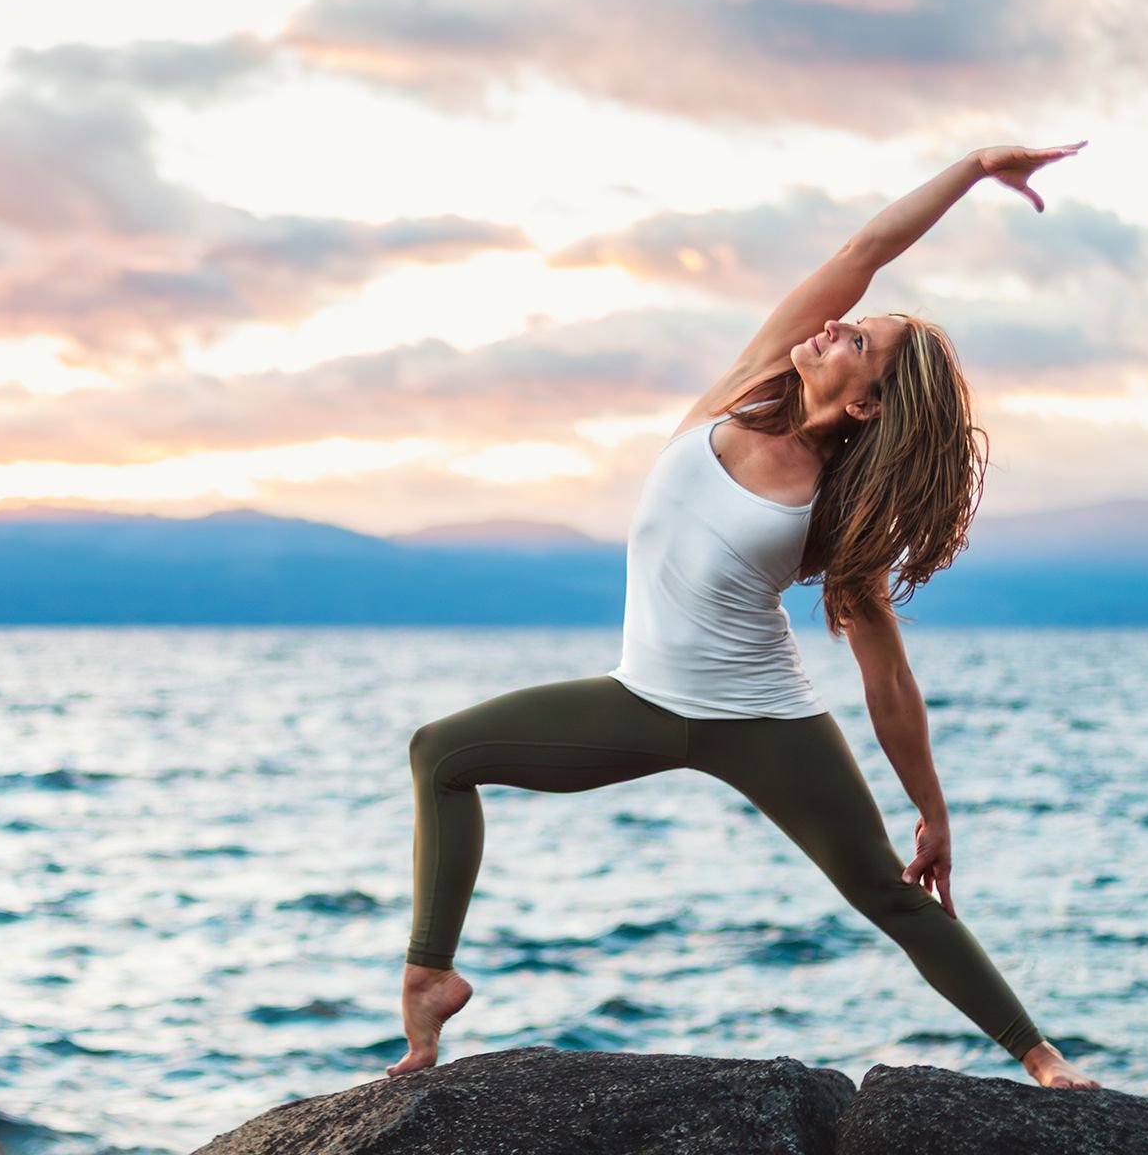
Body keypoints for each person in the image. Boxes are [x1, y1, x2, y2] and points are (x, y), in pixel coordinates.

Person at [388, 142, 1103, 1090]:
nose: (837, 326)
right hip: (640, 701)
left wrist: (931, 811)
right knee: (442, 753)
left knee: (890, 894)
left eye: (859, 341)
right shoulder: (751, 380)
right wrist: (973, 170)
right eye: (849, 323)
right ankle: (431, 980)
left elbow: (885, 676)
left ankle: (1044, 1060)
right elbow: (869, 243)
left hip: (765, 719)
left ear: (868, 402)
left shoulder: (834, 516)